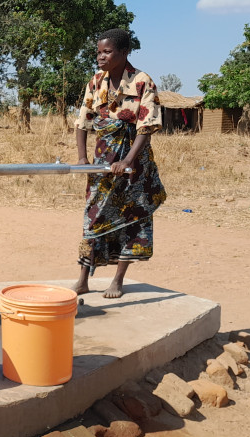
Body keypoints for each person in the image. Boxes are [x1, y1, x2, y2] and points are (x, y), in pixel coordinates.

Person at [71, 28, 167, 299]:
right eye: (99, 52)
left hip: (133, 167)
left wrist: (127, 160)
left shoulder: (141, 82)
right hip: (102, 164)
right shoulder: (96, 82)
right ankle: (82, 280)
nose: (100, 57)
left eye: (107, 52)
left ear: (124, 53)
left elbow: (146, 128)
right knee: (92, 219)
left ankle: (117, 280)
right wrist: (82, 158)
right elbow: (83, 121)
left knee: (130, 220)